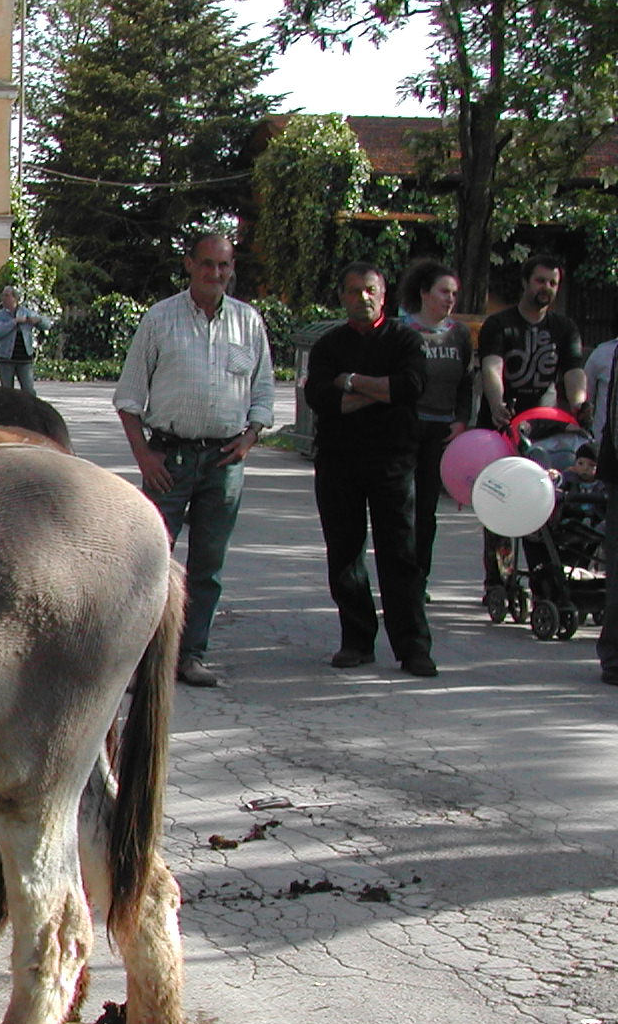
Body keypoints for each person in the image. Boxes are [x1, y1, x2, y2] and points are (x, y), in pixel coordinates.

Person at [114, 232, 276, 688]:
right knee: (151, 563)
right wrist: (143, 455)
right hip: (169, 459)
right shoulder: (160, 320)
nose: (216, 274)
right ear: (189, 265)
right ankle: (141, 662)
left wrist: (249, 438)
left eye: (224, 266)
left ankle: (191, 655)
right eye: (207, 264)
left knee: (208, 567)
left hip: (224, 462)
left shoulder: (248, 323)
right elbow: (128, 397)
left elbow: (263, 391)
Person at [302, 263, 434, 677]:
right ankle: (356, 640)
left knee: (400, 556)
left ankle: (413, 647)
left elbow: (410, 387)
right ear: (341, 296)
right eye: (354, 290)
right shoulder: (328, 347)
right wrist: (380, 391)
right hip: (339, 462)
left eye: (370, 290)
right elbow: (324, 401)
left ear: (384, 294)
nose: (363, 298)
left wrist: (352, 381)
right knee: (344, 555)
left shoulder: (404, 340)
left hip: (393, 461)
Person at [476, 254, 587, 594]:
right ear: (525, 283)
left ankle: (544, 578)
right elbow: (492, 368)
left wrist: (580, 405)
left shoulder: (564, 327)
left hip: (545, 430)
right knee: (499, 507)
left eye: (553, 283)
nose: (546, 289)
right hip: (502, 428)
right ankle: (499, 580)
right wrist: (497, 405)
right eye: (540, 281)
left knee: (544, 504)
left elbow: (572, 372)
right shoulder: (499, 325)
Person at [396, 259, 473, 588]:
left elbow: (466, 382)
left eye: (454, 293)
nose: (450, 299)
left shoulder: (459, 335)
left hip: (442, 432)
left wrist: (461, 420)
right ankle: (396, 577)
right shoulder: (402, 332)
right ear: (425, 293)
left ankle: (418, 580)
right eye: (444, 292)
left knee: (427, 510)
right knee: (401, 507)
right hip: (407, 428)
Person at [0, 286, 45, 396]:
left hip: (24, 359)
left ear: (15, 298)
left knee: (28, 391)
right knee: (7, 392)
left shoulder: (26, 312)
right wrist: (14, 321)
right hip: (6, 359)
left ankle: (30, 412)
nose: (3, 298)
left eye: (7, 295)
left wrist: (38, 320)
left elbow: (47, 324)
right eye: (3, 295)